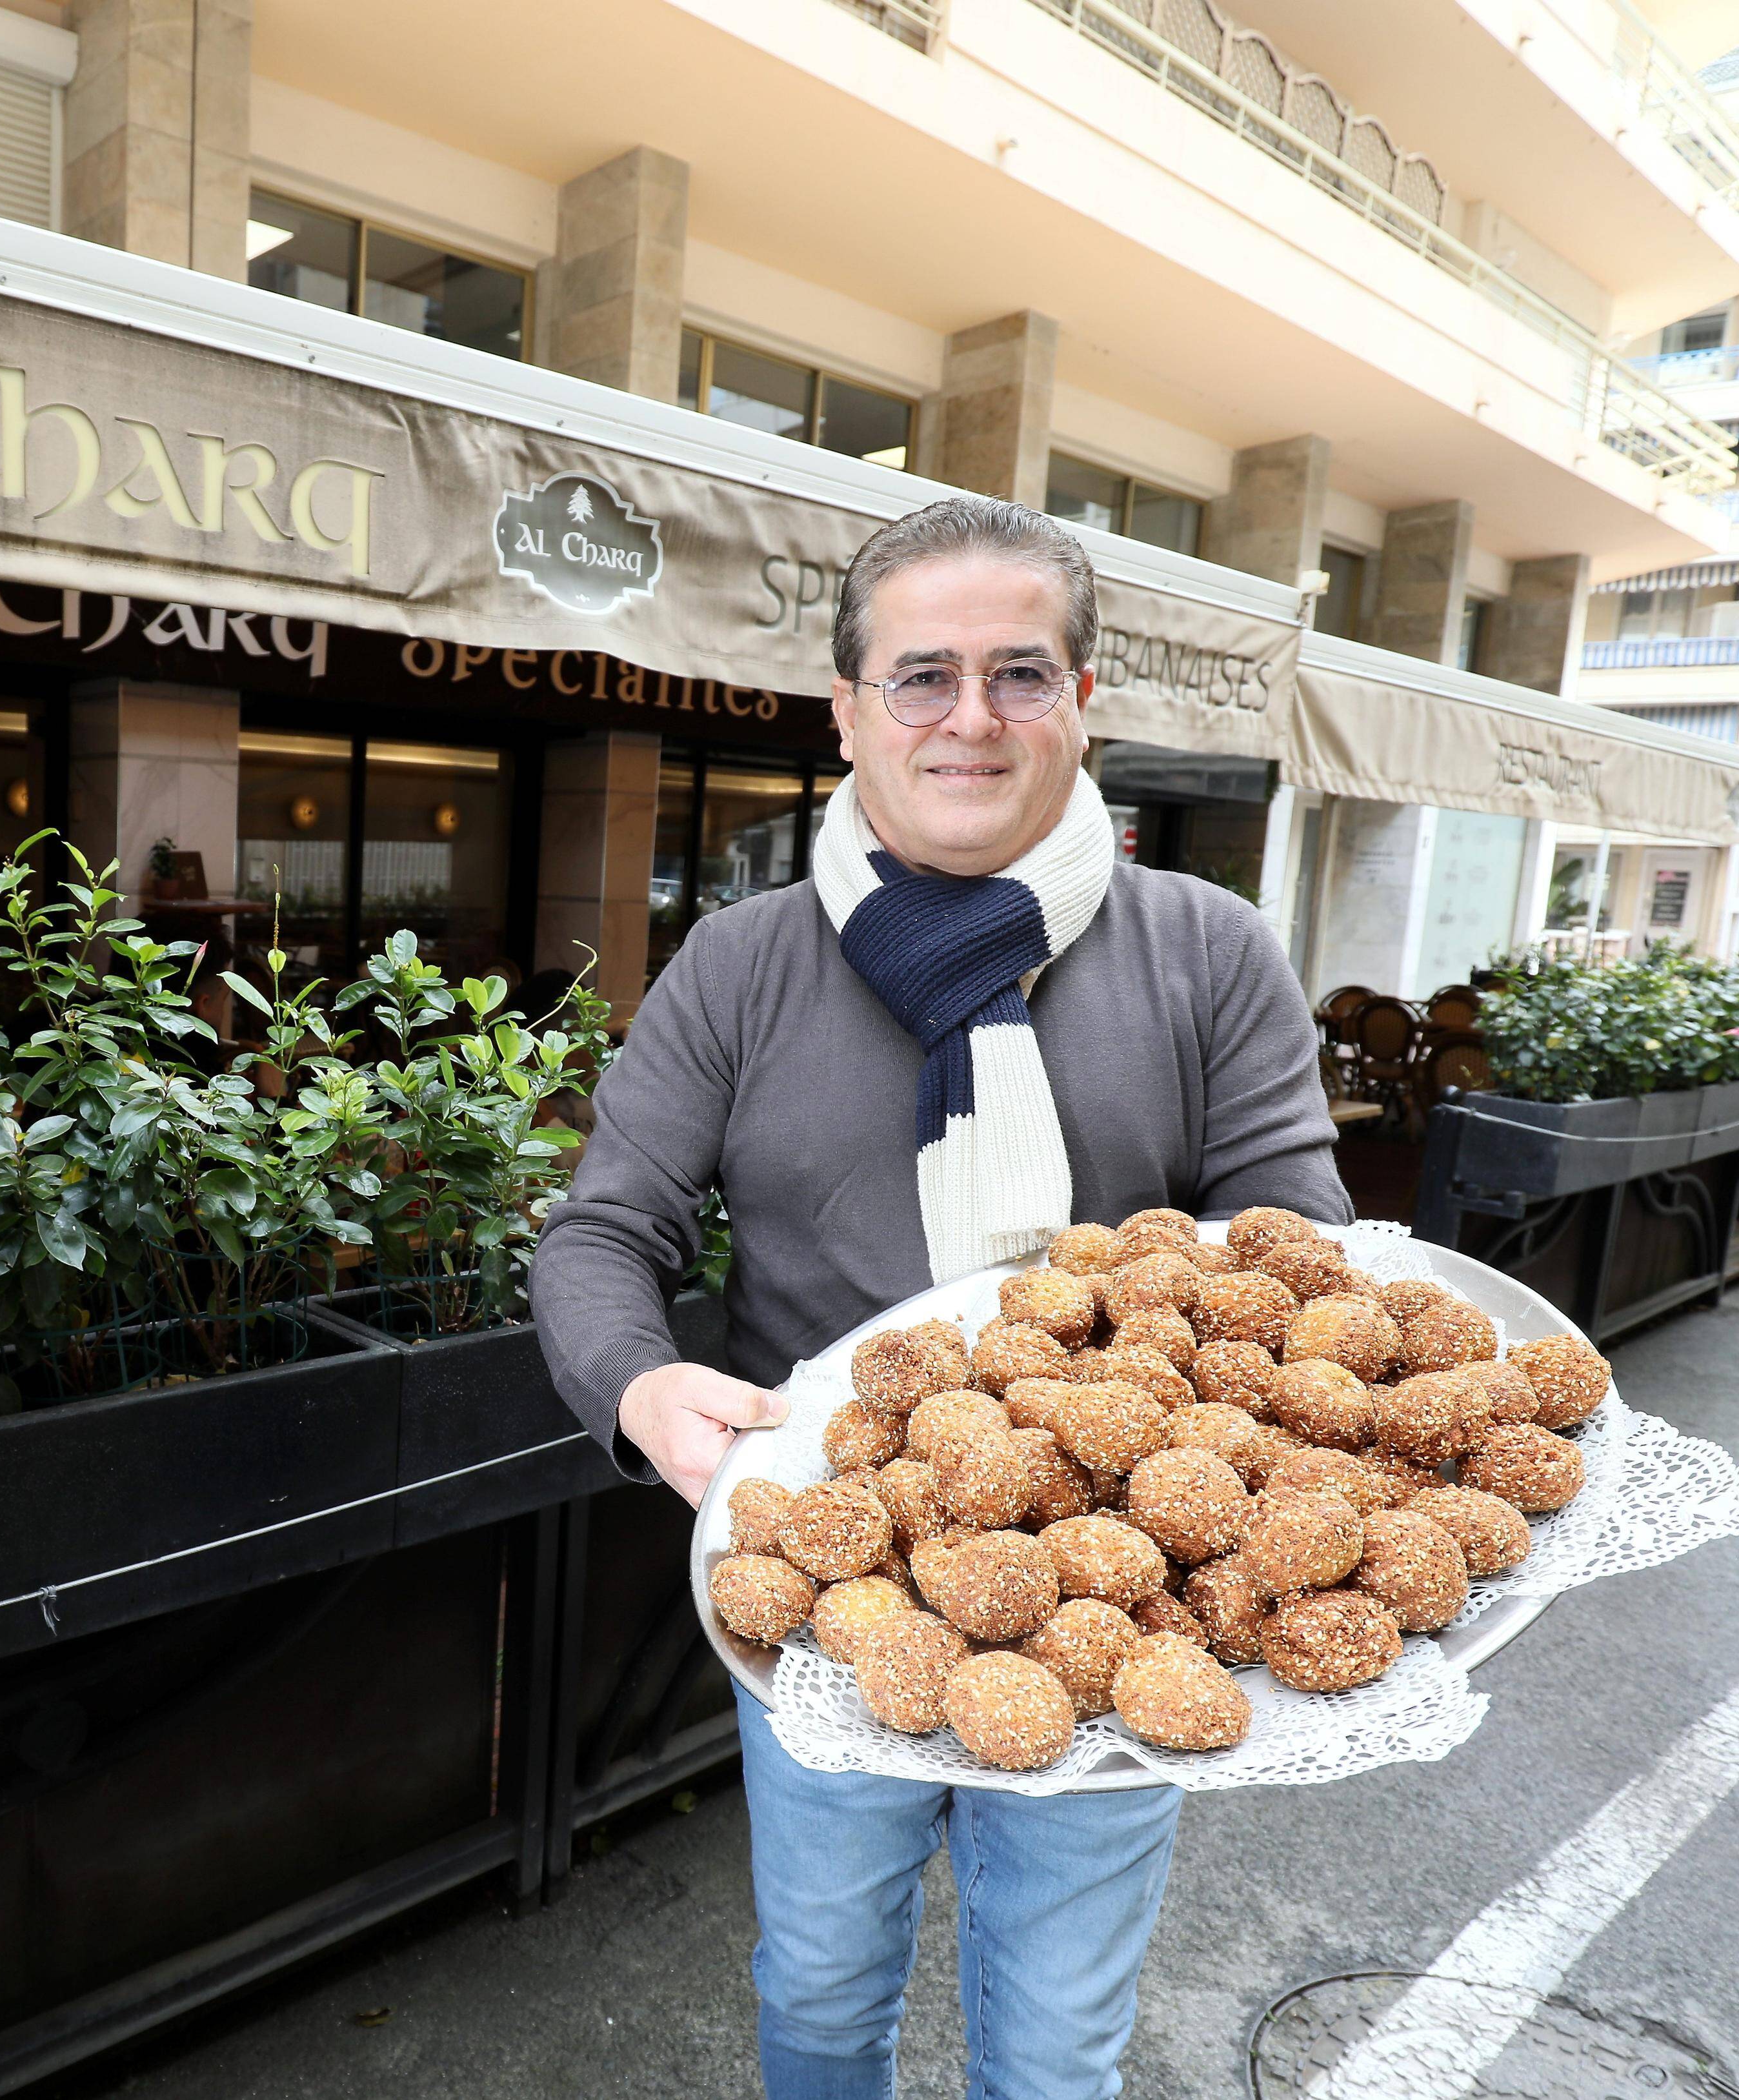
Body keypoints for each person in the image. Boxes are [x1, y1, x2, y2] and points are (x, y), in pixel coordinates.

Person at [531, 496, 1348, 2100]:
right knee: (821, 1990)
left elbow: (1298, 1261)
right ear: (848, 712)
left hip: (1127, 1592)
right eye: (920, 676)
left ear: (1083, 699)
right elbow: (597, 1231)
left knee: (1053, 2047)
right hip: (830, 1584)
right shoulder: (741, 963)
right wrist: (639, 1389)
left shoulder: (1208, 950)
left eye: (1019, 674)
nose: (969, 717)